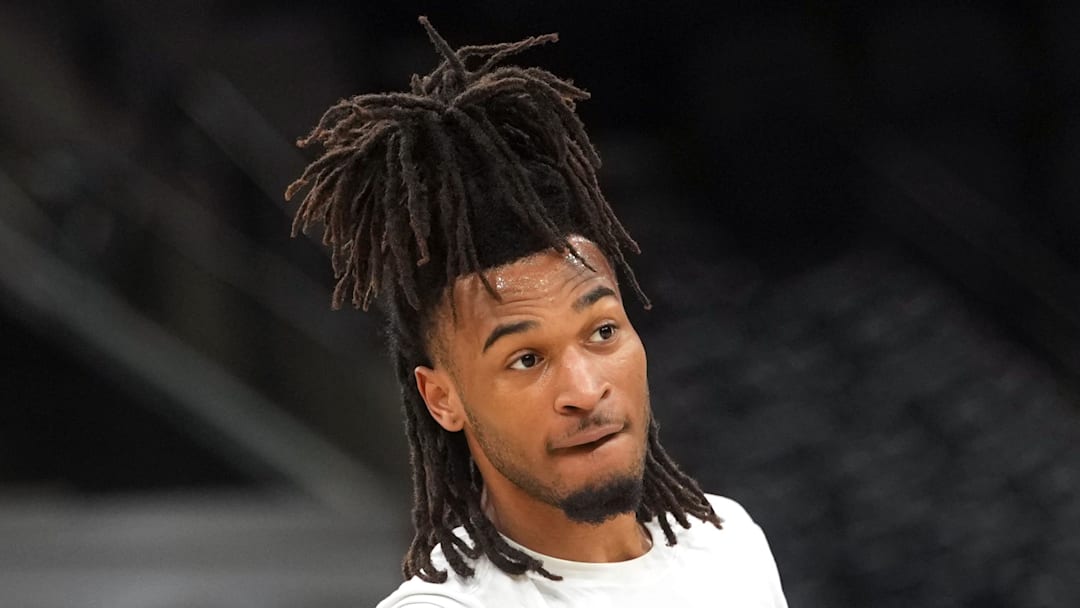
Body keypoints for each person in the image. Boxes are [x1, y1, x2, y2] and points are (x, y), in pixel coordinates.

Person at [286, 16, 788, 607]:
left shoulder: (726, 543)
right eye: (526, 358)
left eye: (602, 331)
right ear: (441, 398)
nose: (583, 388)